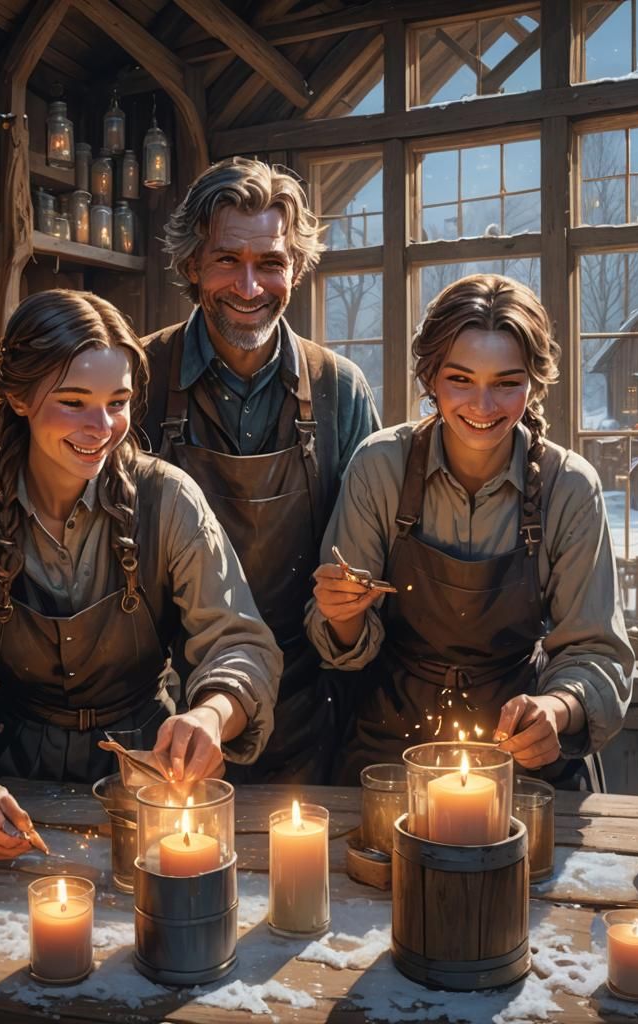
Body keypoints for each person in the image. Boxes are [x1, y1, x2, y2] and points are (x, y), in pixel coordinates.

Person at [0, 290, 282, 859]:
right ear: (20, 397)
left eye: (117, 402)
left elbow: (243, 645)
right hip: (11, 790)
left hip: (152, 789)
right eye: (73, 402)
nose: (101, 427)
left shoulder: (168, 500)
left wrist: (213, 714)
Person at [308, 274, 633, 787]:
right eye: (460, 379)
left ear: (534, 383)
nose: (483, 407)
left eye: (506, 383)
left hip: (521, 750)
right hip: (392, 746)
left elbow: (597, 654)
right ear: (430, 377)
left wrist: (557, 708)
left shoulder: (569, 487)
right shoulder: (380, 466)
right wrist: (342, 615)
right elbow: (344, 648)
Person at [141, 157, 380, 784]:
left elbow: (373, 557)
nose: (249, 287)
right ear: (192, 265)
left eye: (270, 263)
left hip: (306, 717)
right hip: (163, 717)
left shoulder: (341, 391)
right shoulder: (136, 380)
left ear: (295, 269)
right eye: (227, 261)